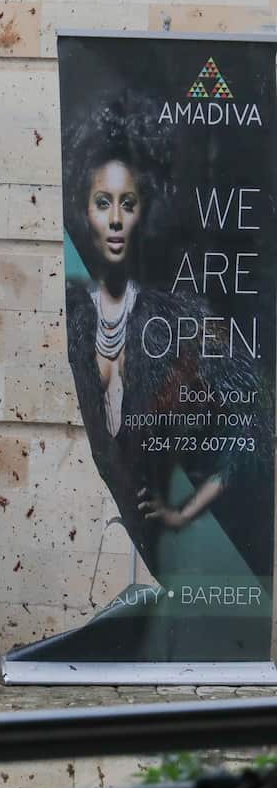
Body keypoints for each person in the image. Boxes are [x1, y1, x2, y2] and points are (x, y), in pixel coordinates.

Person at [62, 95, 273, 585]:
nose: (114, 219)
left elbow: (255, 430)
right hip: (108, 558)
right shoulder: (72, 318)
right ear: (84, 211)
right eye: (102, 202)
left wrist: (184, 511)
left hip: (192, 564)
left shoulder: (176, 320)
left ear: (143, 214)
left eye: (127, 203)